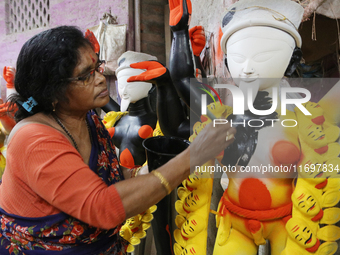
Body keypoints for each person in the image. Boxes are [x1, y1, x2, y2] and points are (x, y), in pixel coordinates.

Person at [0, 26, 235, 254]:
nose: (102, 79)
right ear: (53, 92)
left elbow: (103, 175)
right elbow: (101, 206)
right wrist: (195, 156)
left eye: (97, 67)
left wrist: (139, 174)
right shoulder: (34, 139)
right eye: (86, 76)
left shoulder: (88, 118)